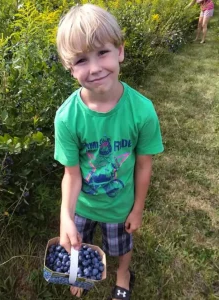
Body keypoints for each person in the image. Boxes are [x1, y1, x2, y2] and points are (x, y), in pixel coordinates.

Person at [54, 3, 164, 299]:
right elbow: (72, 174)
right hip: (83, 205)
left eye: (102, 52)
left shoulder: (142, 111)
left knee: (121, 246)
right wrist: (66, 214)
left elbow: (143, 164)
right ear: (70, 68)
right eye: (80, 60)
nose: (94, 68)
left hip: (120, 204)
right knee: (78, 243)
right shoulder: (67, 117)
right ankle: (81, 271)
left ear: (120, 51)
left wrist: (138, 208)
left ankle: (123, 273)